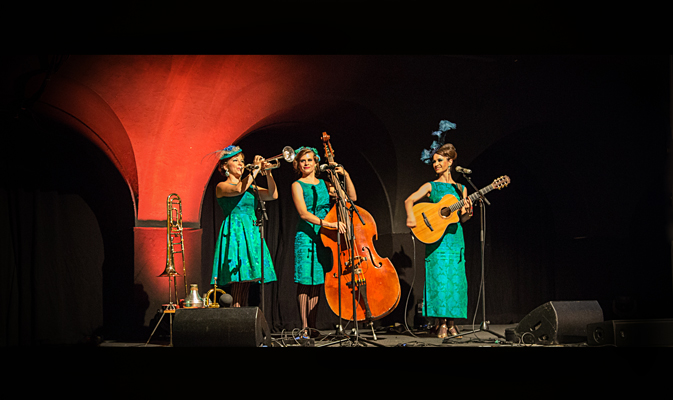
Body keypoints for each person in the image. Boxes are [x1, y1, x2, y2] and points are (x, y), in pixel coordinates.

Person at [404, 143, 472, 338]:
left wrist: (468, 211)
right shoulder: (430, 186)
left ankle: (452, 323)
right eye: (434, 161)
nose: (436, 164)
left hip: (455, 238)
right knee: (440, 280)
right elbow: (409, 200)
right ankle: (440, 323)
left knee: (456, 281)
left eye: (440, 161)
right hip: (437, 238)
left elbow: (462, 218)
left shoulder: (461, 189)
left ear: (450, 162)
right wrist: (411, 217)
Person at [290, 146, 356, 338]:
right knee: (305, 281)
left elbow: (351, 198)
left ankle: (312, 326)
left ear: (316, 162)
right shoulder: (297, 185)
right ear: (298, 164)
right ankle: (303, 327)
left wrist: (345, 175)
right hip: (306, 236)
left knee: (317, 281)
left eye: (310, 160)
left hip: (325, 238)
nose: (306, 163)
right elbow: (303, 213)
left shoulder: (326, 185)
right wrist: (329, 224)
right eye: (303, 161)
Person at [211, 145, 278, 307]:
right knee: (238, 280)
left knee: (246, 280)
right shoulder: (222, 186)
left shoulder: (251, 187)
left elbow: (272, 195)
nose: (241, 164)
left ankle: (241, 320)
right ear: (225, 166)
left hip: (251, 233)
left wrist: (268, 173)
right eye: (236, 161)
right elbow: (239, 189)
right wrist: (255, 169)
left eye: (242, 161)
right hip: (235, 233)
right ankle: (236, 321)